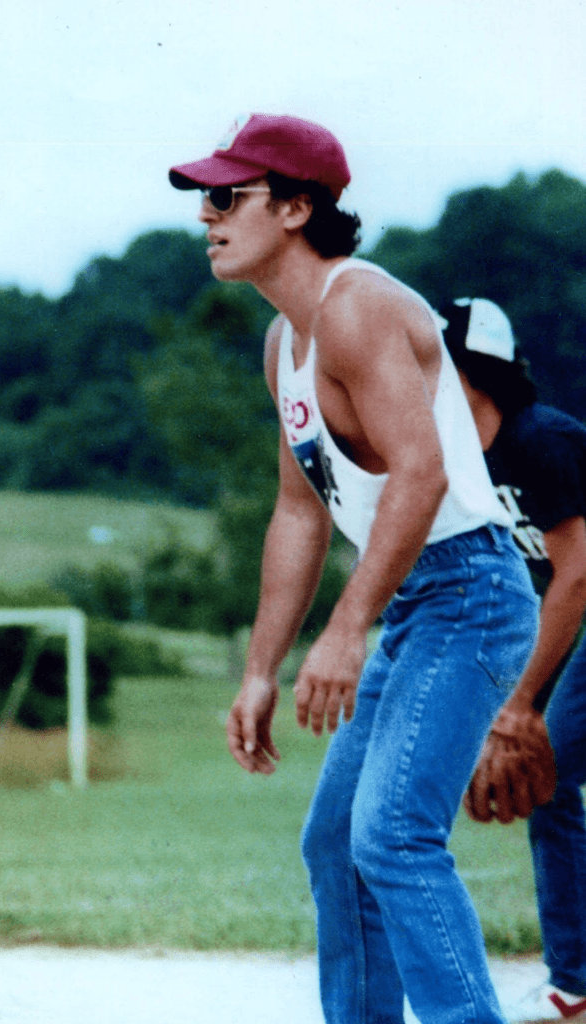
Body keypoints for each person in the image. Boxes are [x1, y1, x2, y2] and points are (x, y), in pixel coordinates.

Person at [169, 113, 539, 1024]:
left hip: (471, 591)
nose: (206, 216)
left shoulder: (356, 307)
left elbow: (421, 473)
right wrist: (260, 670)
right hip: (420, 600)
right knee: (336, 844)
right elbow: (299, 512)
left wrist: (343, 632)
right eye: (205, 199)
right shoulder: (284, 342)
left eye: (227, 196)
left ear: (296, 207)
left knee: (393, 839)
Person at [442, 297, 586, 1020]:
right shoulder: (468, 455)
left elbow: (577, 574)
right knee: (546, 775)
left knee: (546, 763)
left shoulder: (539, 440)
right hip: (569, 619)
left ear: (471, 370)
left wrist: (520, 703)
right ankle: (576, 981)